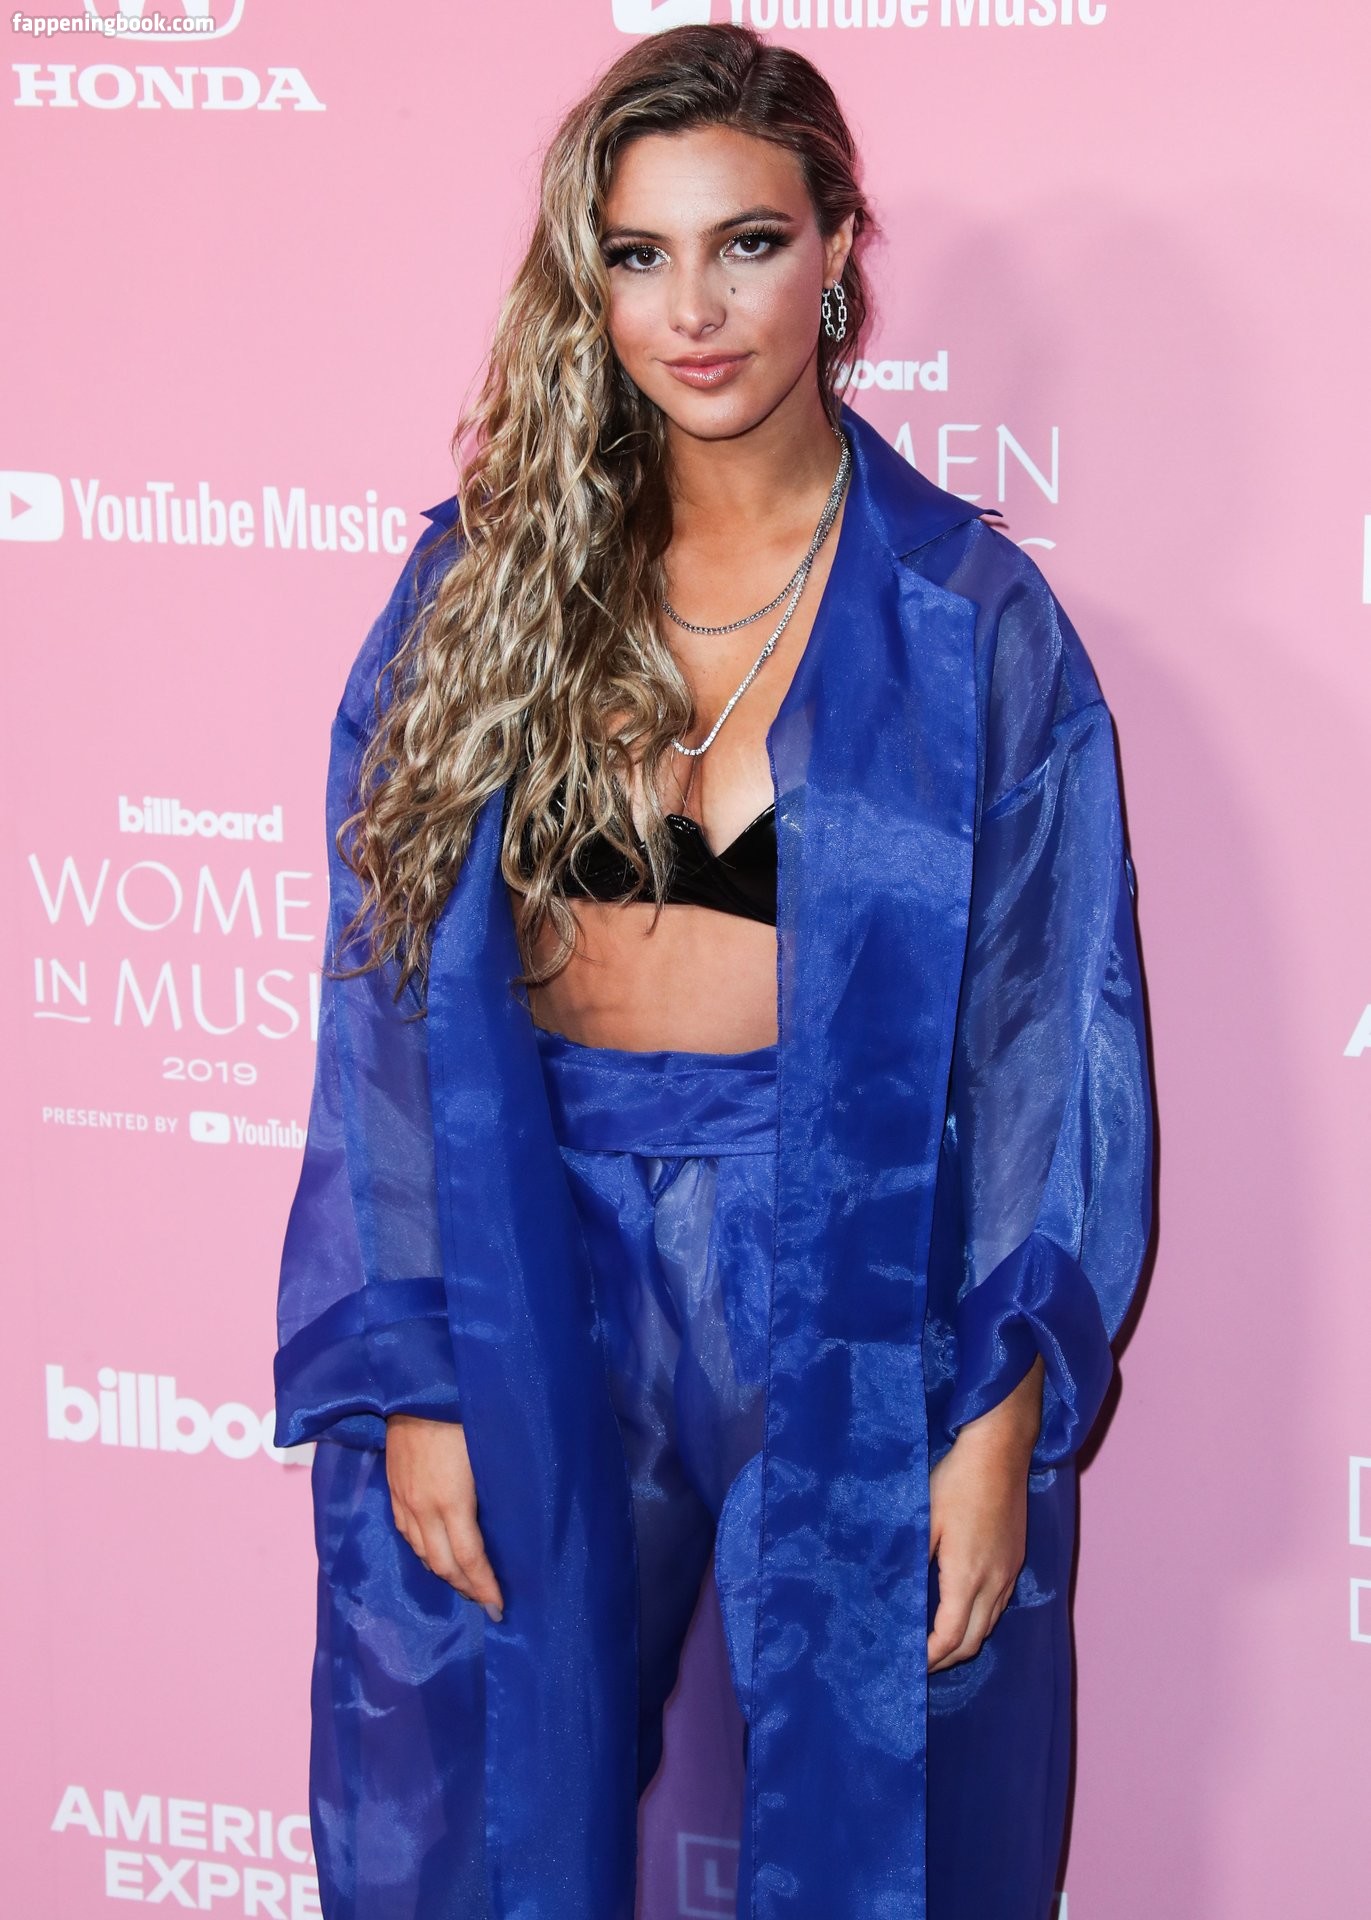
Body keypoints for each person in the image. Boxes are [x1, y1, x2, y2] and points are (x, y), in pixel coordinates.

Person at [273, 23, 1153, 1920]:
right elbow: (387, 1007)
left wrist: (999, 1410)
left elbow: (1046, 1031)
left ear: (837, 249)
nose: (694, 309)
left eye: (748, 242)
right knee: (484, 1798)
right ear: (588, 281)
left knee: (880, 1811)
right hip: (533, 1242)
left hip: (849, 1262)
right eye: (641, 253)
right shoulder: (480, 594)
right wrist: (416, 1364)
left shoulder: (969, 618)